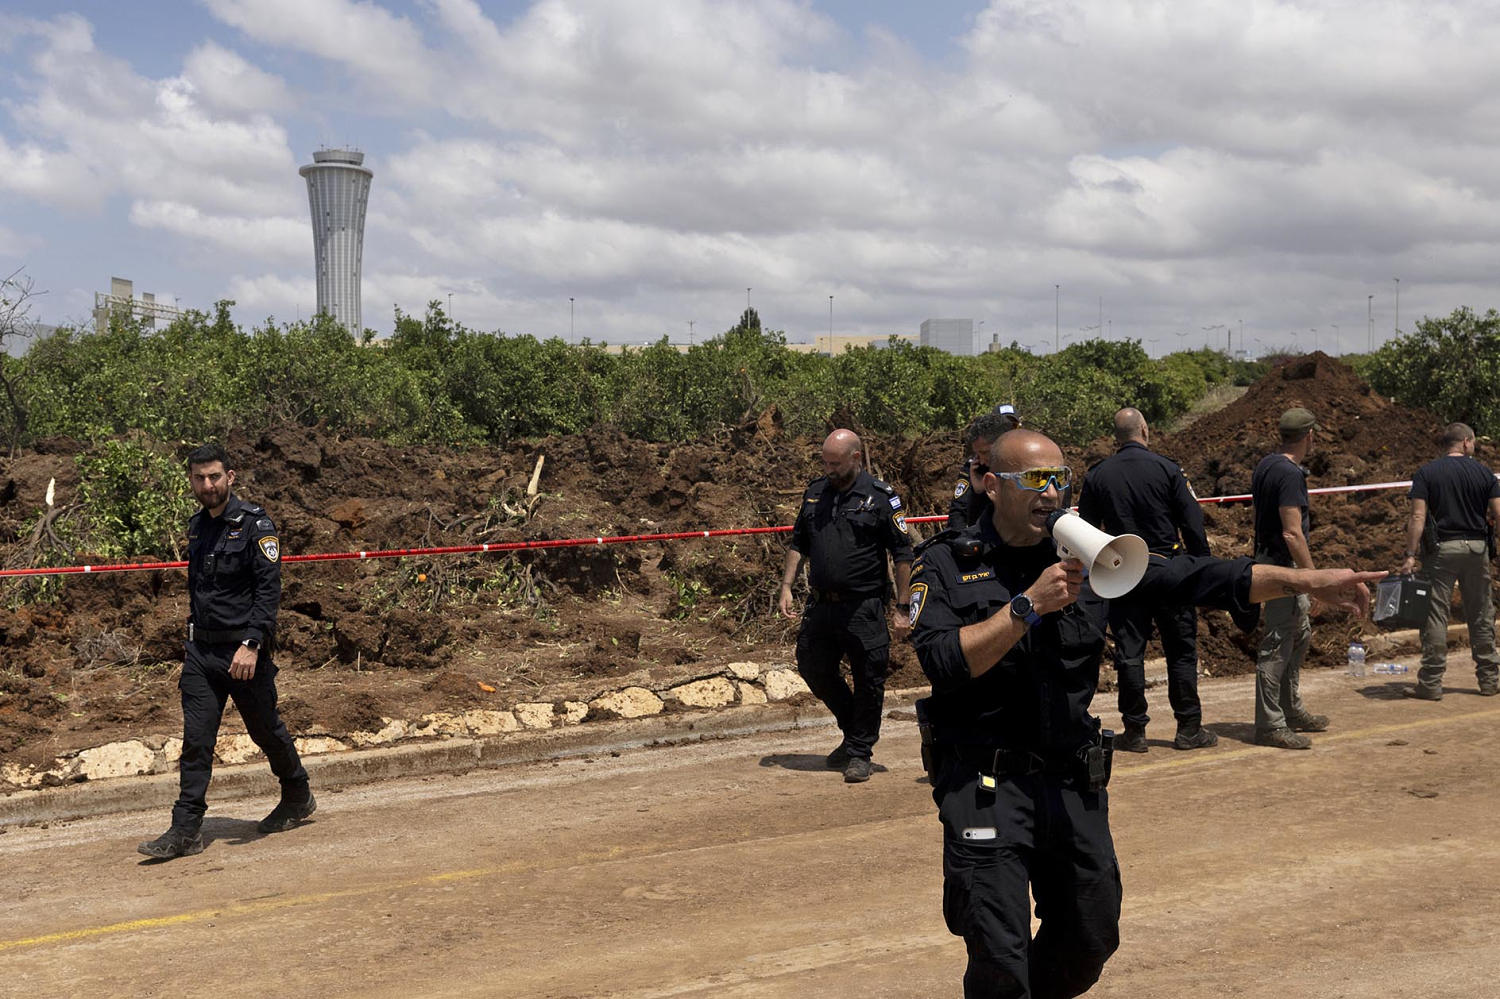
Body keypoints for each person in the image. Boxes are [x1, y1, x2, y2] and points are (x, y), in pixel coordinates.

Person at [909, 429, 1381, 998]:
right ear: (991, 485)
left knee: (1090, 936)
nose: (1052, 492)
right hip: (985, 783)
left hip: (1068, 780)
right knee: (998, 952)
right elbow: (942, 661)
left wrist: (1310, 581)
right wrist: (1027, 607)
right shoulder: (946, 562)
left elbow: (1203, 577)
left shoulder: (1088, 555)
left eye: (1060, 477)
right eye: (1034, 479)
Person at [138, 443, 315, 859]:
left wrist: (252, 644)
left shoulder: (256, 525)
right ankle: (186, 829)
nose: (207, 485)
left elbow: (268, 591)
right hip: (202, 653)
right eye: (199, 478)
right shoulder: (197, 527)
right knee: (196, 740)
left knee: (265, 730)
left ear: (230, 477)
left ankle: (297, 793)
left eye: (214, 476)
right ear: (191, 481)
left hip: (243, 653)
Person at [778, 429, 914, 783]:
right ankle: (854, 731)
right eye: (825, 462)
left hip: (863, 606)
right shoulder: (815, 493)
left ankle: (859, 752)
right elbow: (798, 543)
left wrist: (903, 606)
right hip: (822, 605)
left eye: (835, 463)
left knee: (869, 678)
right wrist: (786, 586)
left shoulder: (880, 497)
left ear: (855, 458)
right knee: (813, 666)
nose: (829, 469)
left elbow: (902, 553)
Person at [1078, 407, 1216, 753]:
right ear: (1144, 429)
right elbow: (1192, 523)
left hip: (1124, 573)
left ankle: (1135, 730)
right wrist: (1202, 569)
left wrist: (1098, 574)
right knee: (1181, 652)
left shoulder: (1098, 475)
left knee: (1129, 653)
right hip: (1169, 570)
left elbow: (1087, 533)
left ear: (1117, 436)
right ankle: (1189, 728)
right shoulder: (1168, 469)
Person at [1399, 422, 1500, 699]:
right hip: (1477, 548)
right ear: (1466, 442)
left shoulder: (1427, 473)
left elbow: (1417, 517)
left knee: (1436, 614)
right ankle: (1489, 680)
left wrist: (1410, 555)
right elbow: (1498, 513)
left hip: (1442, 550)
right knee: (1481, 612)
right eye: (1474, 442)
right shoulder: (1484, 473)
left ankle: (1431, 683)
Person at [1250, 407, 1330, 750]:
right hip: (1283, 566)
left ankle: (1289, 708)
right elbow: (1292, 533)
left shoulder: (1266, 465)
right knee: (1278, 641)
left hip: (1271, 560)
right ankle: (1270, 724)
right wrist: (1312, 578)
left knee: (1299, 633)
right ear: (1309, 436)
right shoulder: (1290, 474)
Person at [947, 405, 1022, 532]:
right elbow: (959, 511)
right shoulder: (977, 466)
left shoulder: (1029, 462)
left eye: (1013, 426)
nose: (1008, 432)